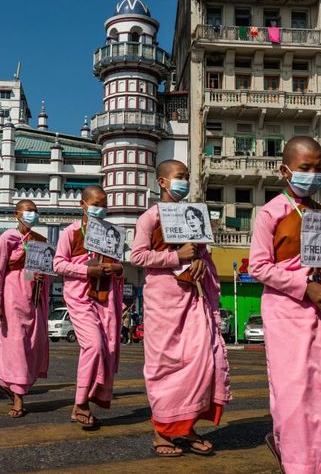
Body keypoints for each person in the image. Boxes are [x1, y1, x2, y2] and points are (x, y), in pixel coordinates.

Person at [248, 137, 321, 473]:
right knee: (294, 392)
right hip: (289, 313)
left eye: (318, 167)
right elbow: (259, 266)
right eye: (305, 168)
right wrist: (305, 286)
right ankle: (295, 459)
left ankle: (316, 461)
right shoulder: (271, 213)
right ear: (285, 170)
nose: (314, 174)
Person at [131, 159, 231, 457]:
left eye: (186, 177)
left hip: (193, 298)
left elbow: (201, 254)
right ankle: (162, 433)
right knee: (167, 365)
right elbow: (137, 256)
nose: (184, 181)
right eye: (179, 176)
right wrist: (175, 256)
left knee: (199, 360)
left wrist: (198, 258)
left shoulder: (194, 215)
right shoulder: (150, 217)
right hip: (163, 301)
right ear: (162, 182)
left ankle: (185, 429)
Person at [53, 185, 123, 429]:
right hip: (79, 296)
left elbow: (118, 265)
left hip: (105, 296)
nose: (100, 209)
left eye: (104, 205)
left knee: (107, 348)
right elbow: (58, 265)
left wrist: (117, 269)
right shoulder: (70, 233)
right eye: (95, 204)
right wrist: (87, 270)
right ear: (82, 205)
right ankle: (81, 402)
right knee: (93, 345)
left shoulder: (111, 233)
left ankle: (84, 402)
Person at [0, 199, 51, 418]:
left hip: (34, 298)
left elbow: (46, 268)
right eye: (28, 211)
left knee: (33, 344)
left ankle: (7, 384)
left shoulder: (39, 240)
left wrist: (44, 277)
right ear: (17, 214)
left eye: (35, 211)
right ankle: (18, 398)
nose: (32, 214)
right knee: (15, 346)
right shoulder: (8, 237)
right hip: (12, 296)